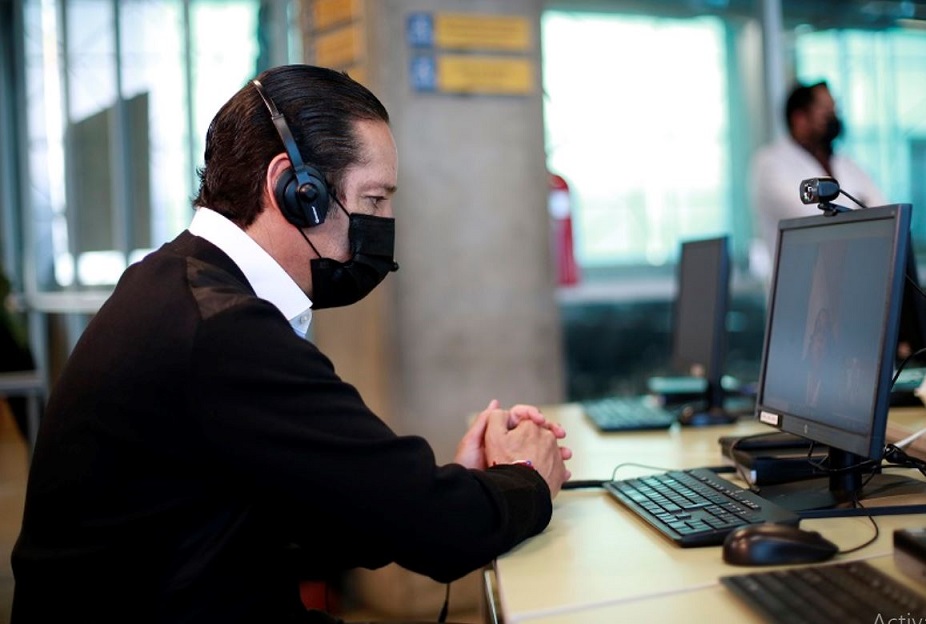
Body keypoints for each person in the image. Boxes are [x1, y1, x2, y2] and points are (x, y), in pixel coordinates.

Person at [11, 64, 572, 624]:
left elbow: (328, 512)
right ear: (296, 190)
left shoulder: (178, 281)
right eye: (374, 200)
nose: (386, 221)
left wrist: (450, 487)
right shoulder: (223, 329)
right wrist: (527, 477)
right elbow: (439, 535)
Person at [751, 80, 887, 266]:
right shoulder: (770, 164)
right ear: (799, 119)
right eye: (826, 112)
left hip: (853, 274)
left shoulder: (847, 163)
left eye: (834, 111)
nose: (834, 118)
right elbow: (814, 221)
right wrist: (858, 207)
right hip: (798, 284)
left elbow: (885, 213)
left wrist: (849, 211)